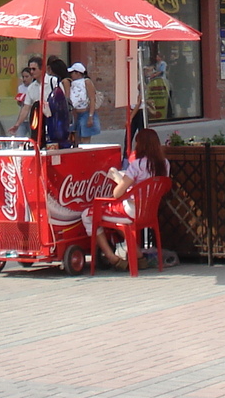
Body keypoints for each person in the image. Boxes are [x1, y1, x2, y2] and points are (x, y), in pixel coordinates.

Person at [90, 127, 171, 269]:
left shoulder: (137, 165)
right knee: (123, 224)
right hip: (149, 212)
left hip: (132, 210)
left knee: (89, 214)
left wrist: (117, 178)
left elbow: (117, 194)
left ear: (140, 145)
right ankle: (138, 255)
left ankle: (112, 257)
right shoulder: (165, 164)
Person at [69, 61, 98, 142]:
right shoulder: (73, 83)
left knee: (85, 139)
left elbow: (92, 99)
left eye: (73, 73)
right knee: (76, 138)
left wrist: (90, 116)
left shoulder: (87, 82)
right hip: (77, 114)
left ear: (78, 73)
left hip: (85, 113)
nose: (71, 75)